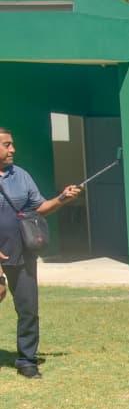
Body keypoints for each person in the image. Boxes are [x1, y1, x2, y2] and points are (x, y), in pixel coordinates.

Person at [0, 127, 83, 379]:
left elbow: (40, 207)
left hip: (21, 252)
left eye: (12, 144)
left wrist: (62, 198)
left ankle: (26, 360)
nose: (12, 149)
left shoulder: (21, 176)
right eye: (6, 145)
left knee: (28, 309)